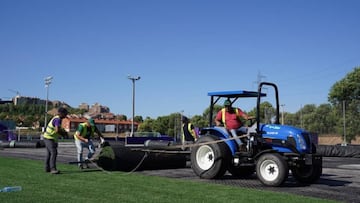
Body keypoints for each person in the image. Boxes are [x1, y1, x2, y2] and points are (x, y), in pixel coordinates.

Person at [43, 107, 68, 174]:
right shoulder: (57, 119)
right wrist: (63, 134)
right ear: (61, 113)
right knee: (54, 153)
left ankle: (47, 168)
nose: (66, 116)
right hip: (49, 138)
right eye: (65, 114)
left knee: (49, 153)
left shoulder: (56, 118)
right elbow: (57, 130)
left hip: (48, 137)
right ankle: (53, 169)